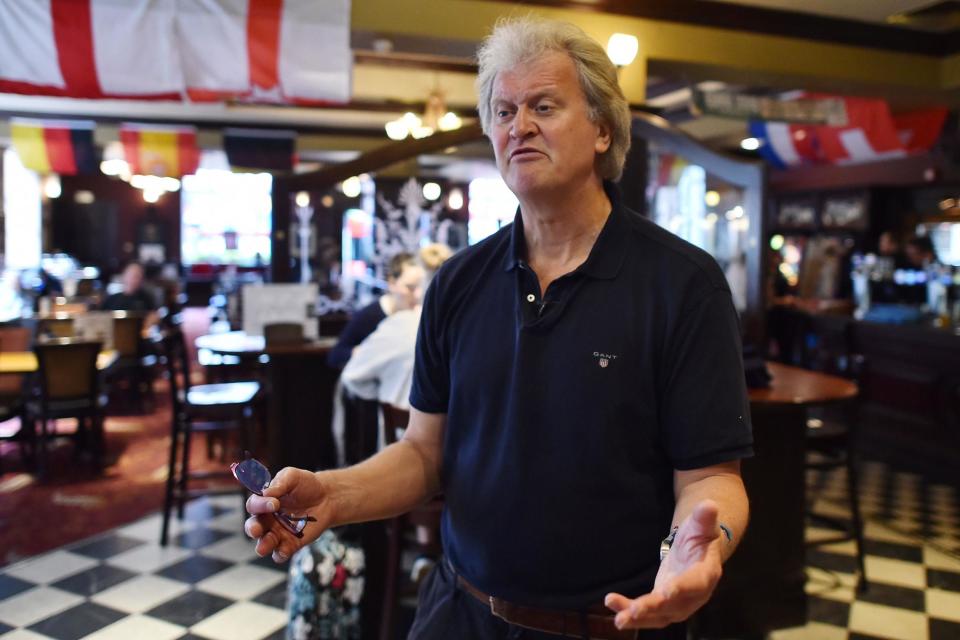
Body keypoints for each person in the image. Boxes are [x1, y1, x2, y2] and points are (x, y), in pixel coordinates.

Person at [246, 17, 751, 639]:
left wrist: (698, 549)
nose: (521, 126)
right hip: (459, 611)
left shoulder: (682, 284)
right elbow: (425, 453)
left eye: (545, 105)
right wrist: (332, 495)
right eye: (505, 110)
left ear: (601, 127)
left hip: (613, 625)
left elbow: (711, 479)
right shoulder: (458, 282)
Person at [326, 252, 424, 370]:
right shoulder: (368, 316)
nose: (418, 295)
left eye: (421, 287)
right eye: (410, 287)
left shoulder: (420, 316)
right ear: (392, 283)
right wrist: (365, 352)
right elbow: (335, 356)